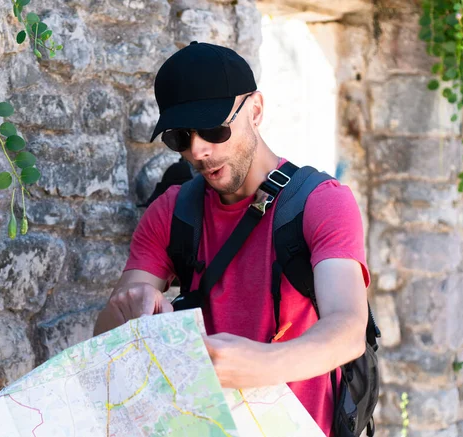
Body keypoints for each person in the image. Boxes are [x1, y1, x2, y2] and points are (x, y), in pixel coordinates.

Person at [93, 41, 370, 436]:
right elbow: (105, 339)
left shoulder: (322, 202)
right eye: (180, 137)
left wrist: (260, 364)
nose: (198, 150)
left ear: (255, 111)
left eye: (213, 128)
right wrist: (128, 309)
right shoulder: (171, 212)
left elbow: (347, 330)